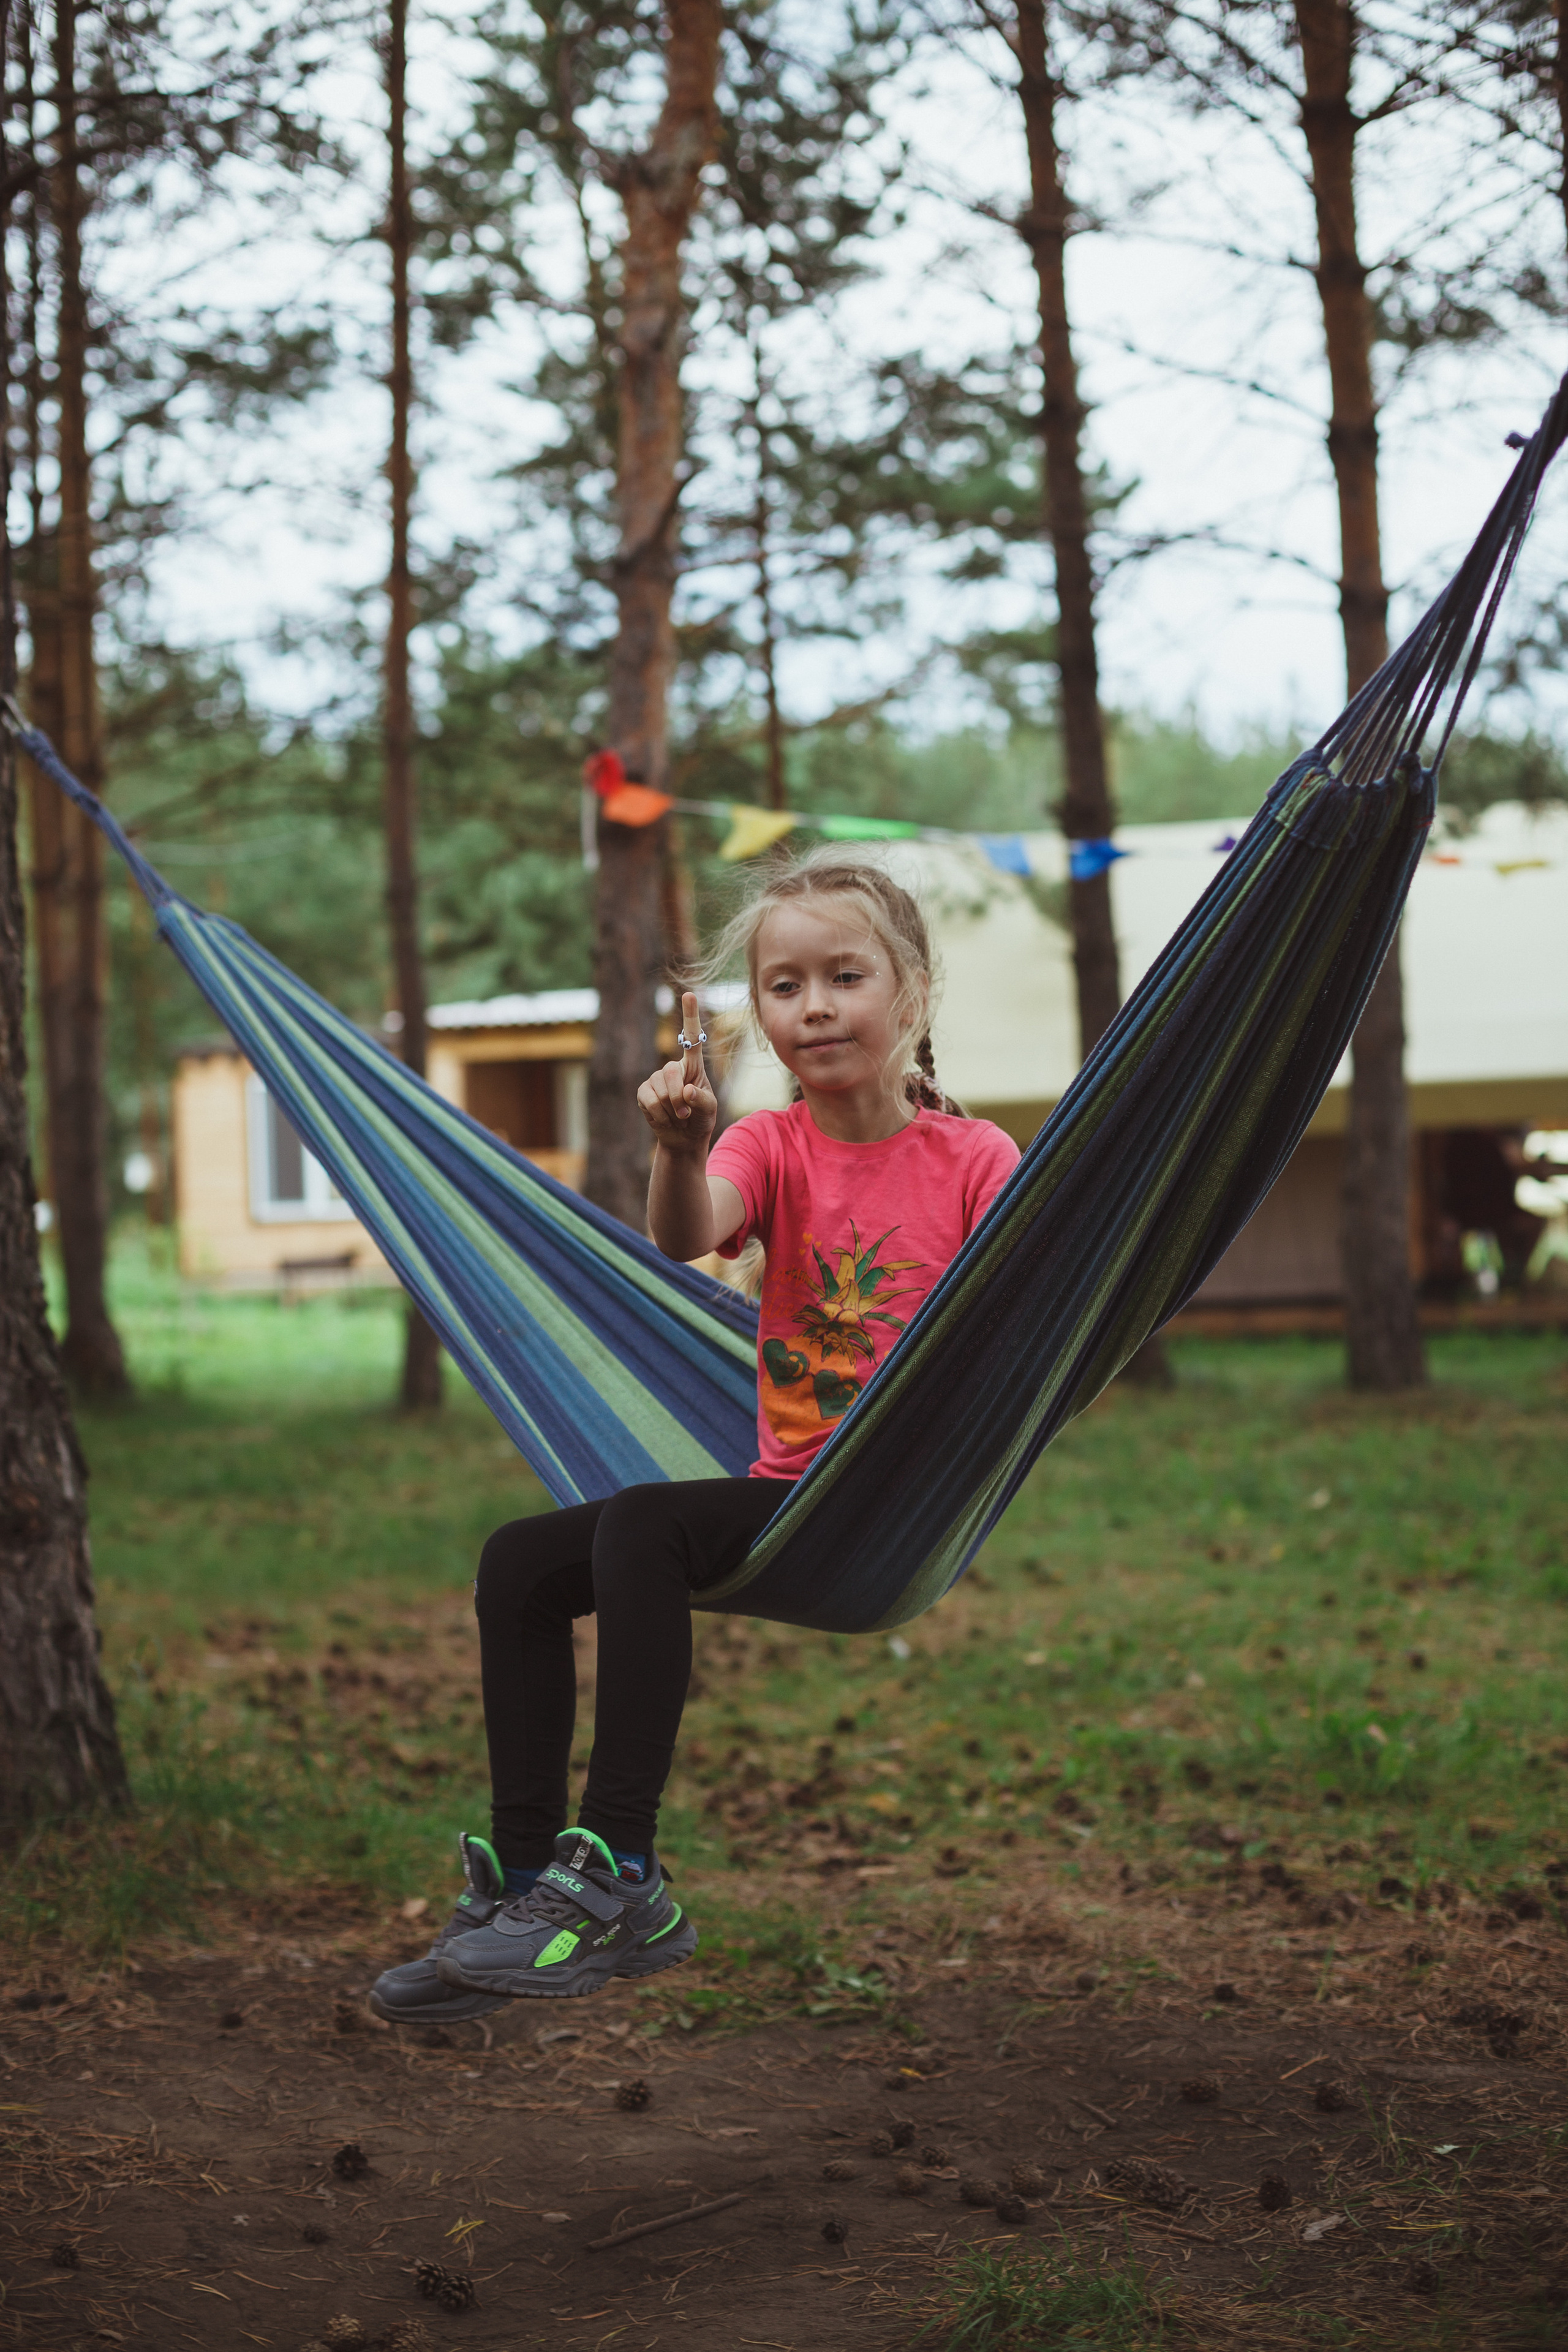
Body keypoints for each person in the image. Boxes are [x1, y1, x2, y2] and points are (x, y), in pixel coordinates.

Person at [368, 850, 1020, 2023]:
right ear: (759, 1014)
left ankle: (620, 1867)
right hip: (791, 1499)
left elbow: (1033, 1320)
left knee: (645, 1521)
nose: (814, 1006)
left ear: (911, 991)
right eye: (783, 986)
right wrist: (677, 1148)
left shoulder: (978, 1163)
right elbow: (686, 1236)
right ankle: (524, 1895)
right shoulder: (766, 1147)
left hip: (899, 1505)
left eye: (845, 977)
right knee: (519, 1559)